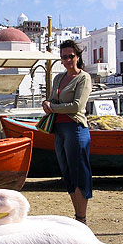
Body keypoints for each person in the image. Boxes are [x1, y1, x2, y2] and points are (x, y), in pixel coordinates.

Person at [42, 39, 92, 223]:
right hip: (60, 129)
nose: (67, 60)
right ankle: (78, 216)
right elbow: (51, 99)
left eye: (71, 56)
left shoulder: (83, 77)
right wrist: (46, 103)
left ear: (77, 57)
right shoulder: (58, 78)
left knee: (79, 172)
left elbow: (77, 106)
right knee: (67, 172)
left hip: (75, 128)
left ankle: (82, 218)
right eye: (64, 57)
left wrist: (53, 107)